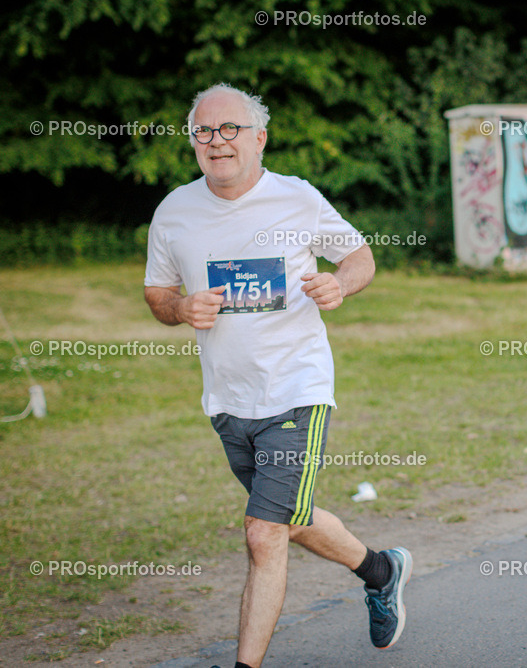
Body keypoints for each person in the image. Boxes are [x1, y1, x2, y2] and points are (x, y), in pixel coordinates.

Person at [143, 84, 411, 668]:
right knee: (289, 518)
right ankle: (380, 569)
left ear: (259, 138)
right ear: (194, 143)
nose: (217, 142)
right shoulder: (174, 211)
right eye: (204, 132)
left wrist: (341, 283)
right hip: (226, 400)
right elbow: (157, 292)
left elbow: (358, 255)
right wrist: (179, 308)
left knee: (263, 533)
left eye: (230, 129)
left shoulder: (297, 199)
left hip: (295, 390)